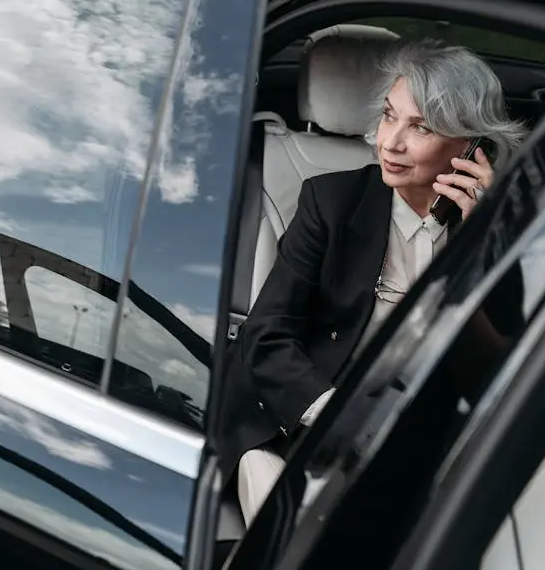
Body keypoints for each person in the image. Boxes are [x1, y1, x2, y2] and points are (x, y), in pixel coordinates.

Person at [219, 39, 528, 526]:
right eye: (389, 116)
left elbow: (498, 373)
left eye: (420, 127)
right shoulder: (331, 201)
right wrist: (337, 420)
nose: (389, 142)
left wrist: (479, 245)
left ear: (472, 148)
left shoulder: (500, 229)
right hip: (298, 421)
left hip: (419, 441)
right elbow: (266, 336)